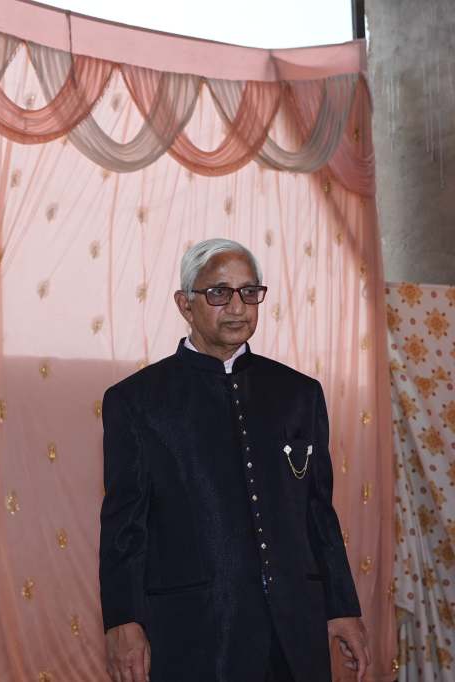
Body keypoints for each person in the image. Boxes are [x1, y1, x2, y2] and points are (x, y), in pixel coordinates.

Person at [99, 238, 371, 682]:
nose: (238, 307)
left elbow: (318, 512)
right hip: (196, 631)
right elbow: (124, 525)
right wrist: (122, 619)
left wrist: (341, 606)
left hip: (294, 629)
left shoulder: (299, 394)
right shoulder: (137, 401)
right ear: (185, 304)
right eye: (219, 293)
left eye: (249, 291)